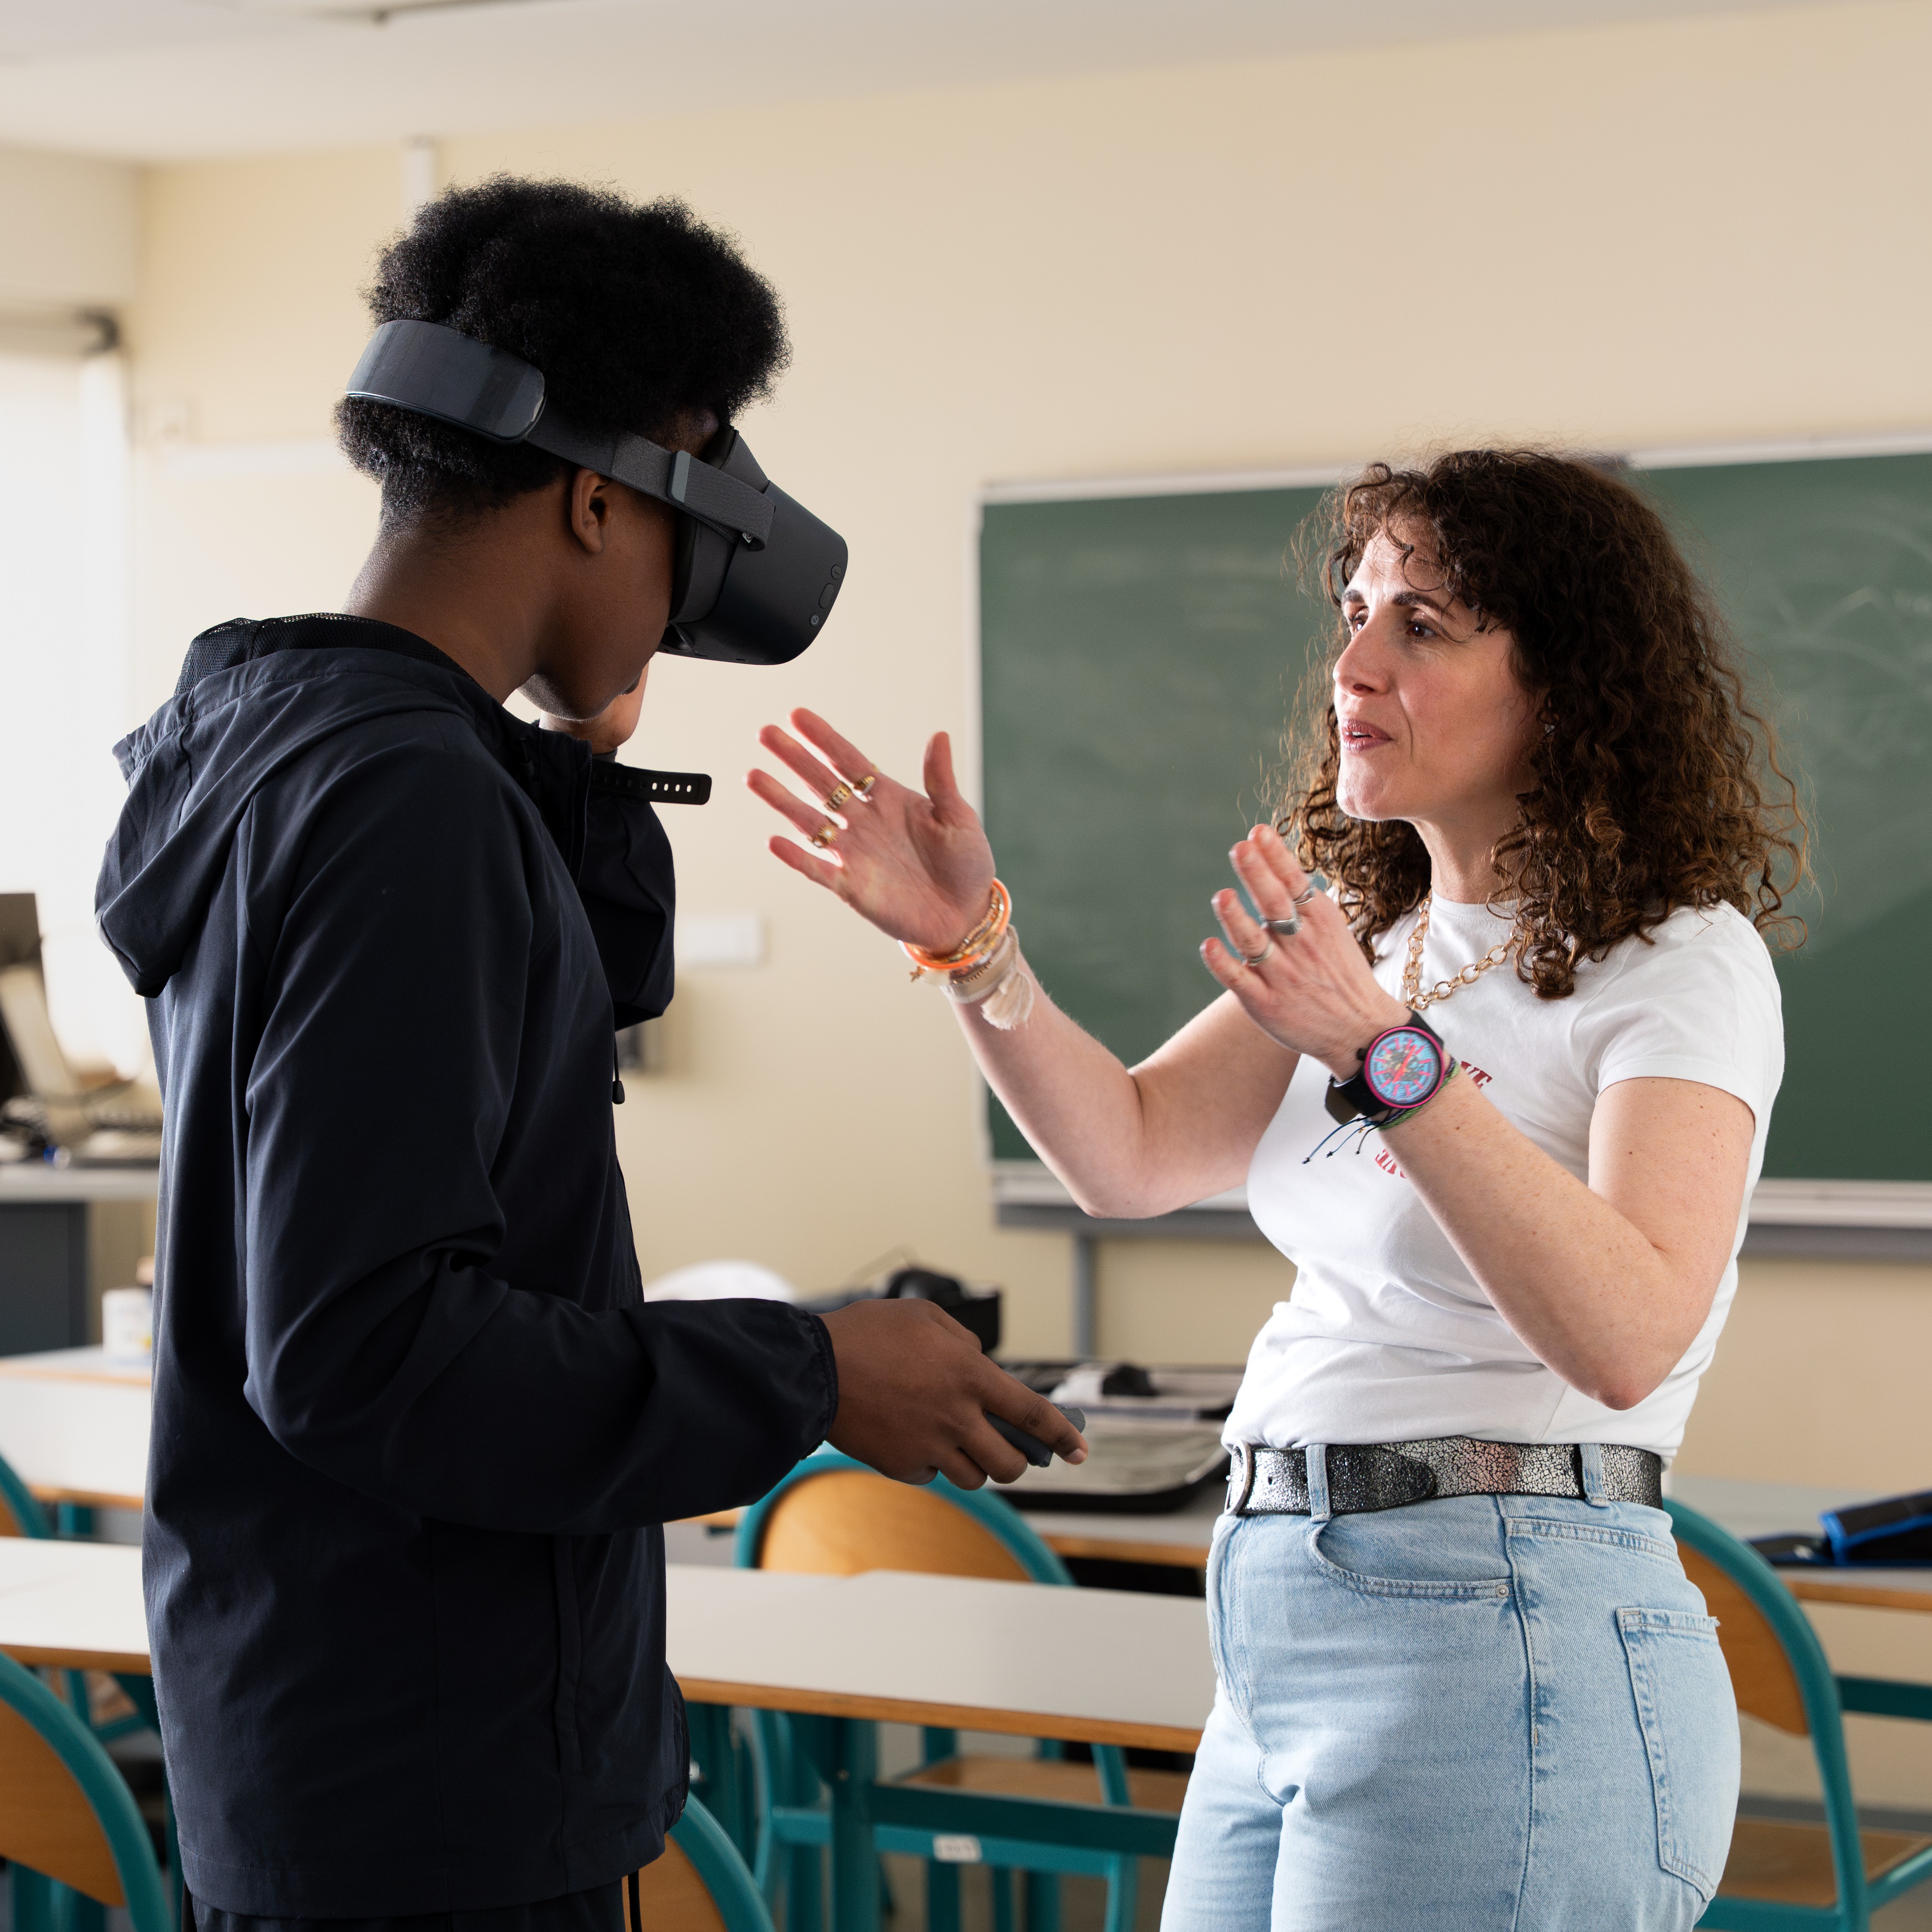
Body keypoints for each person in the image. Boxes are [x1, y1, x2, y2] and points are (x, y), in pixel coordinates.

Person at [95, 177, 1083, 1932]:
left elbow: (550, 1015)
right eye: (682, 510)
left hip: (325, 1727)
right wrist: (807, 1372)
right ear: (596, 495)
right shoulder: (408, 800)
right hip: (435, 1782)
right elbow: (368, 1349)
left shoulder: (290, 742)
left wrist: (576, 743)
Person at [749, 448, 1801, 1929]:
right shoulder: (1371, 935)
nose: (1353, 664)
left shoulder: (1680, 960)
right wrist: (973, 950)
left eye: (1421, 625)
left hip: (1507, 1623)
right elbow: (1123, 1151)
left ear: (1564, 683)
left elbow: (1629, 1333)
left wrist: (1384, 1054)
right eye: (1354, 614)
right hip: (1281, 1618)